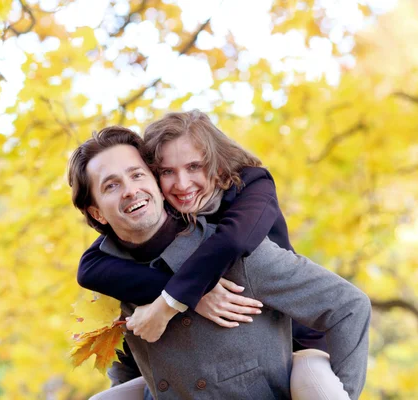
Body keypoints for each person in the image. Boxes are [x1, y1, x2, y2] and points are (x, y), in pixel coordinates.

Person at [67, 125, 371, 399]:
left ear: (154, 183)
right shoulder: (109, 278)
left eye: (136, 175)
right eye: (111, 185)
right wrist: (191, 296)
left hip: (301, 355)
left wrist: (177, 297)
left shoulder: (238, 252)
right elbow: (129, 361)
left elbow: (349, 306)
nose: (131, 190)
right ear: (97, 213)